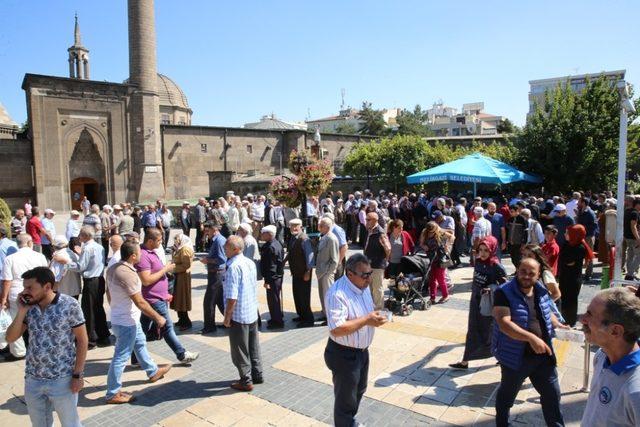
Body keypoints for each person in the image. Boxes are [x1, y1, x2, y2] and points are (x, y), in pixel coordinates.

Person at [5, 267, 87, 426]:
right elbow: (10, 337)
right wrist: (22, 311)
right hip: (33, 380)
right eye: (24, 287)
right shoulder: (29, 307)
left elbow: (82, 341)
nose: (25, 292)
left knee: (70, 424)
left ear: (47, 287)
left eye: (30, 288)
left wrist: (78, 375)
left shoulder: (69, 304)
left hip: (62, 380)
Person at [492, 258, 568, 427]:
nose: (526, 276)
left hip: (543, 356)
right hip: (516, 356)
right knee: (507, 396)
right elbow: (504, 323)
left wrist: (558, 324)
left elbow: (546, 310)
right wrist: (531, 338)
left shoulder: (541, 291)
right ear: (517, 271)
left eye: (531, 273)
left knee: (552, 396)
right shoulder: (503, 292)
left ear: (538, 275)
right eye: (523, 271)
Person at [324, 253, 388, 427]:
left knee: (359, 390)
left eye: (370, 274)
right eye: (365, 275)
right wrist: (367, 320)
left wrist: (375, 316)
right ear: (350, 274)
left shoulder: (363, 286)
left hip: (361, 352)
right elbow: (337, 329)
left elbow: (366, 312)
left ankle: (349, 421)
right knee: (346, 399)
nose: (369, 279)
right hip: (343, 354)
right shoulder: (337, 294)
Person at [105, 241, 172, 404]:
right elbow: (140, 302)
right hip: (126, 321)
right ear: (133, 256)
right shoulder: (128, 274)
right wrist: (158, 317)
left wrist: (115, 307)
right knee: (121, 357)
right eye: (139, 252)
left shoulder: (114, 268)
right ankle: (112, 393)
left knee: (140, 343)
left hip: (124, 318)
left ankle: (152, 371)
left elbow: (108, 292)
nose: (141, 254)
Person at [135, 229, 198, 364]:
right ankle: (182, 354)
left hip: (157, 297)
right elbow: (146, 280)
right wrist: (165, 269)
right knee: (167, 327)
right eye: (159, 240)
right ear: (150, 241)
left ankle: (135, 358)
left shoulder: (152, 252)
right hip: (153, 299)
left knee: (143, 328)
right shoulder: (144, 255)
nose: (161, 242)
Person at [581, 289, 640, 427]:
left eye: (589, 314)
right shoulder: (601, 356)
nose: (582, 319)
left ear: (615, 331)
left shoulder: (636, 391)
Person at [450, 236, 507, 370]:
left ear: (492, 250)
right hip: (476, 302)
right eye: (480, 250)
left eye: (486, 250)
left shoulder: (496, 265)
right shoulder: (478, 261)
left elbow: (505, 286)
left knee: (490, 331)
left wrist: (492, 288)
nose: (482, 253)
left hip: (489, 304)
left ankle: (501, 356)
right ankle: (465, 361)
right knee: (473, 331)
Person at [222, 235, 264, 391]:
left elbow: (232, 297)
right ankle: (257, 374)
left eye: (227, 247)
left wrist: (227, 318)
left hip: (239, 315)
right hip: (251, 311)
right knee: (253, 346)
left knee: (240, 349)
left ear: (236, 249)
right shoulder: (249, 262)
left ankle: (246, 380)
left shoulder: (233, 266)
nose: (224, 249)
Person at [1, 234, 48, 360]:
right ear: (30, 242)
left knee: (15, 321)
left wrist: (3, 299)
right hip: (38, 293)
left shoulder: (10, 259)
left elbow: (7, 280)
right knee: (39, 320)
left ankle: (18, 352)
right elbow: (47, 274)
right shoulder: (40, 256)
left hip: (17, 293)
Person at [558, 224, 594, 326]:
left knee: (571, 302)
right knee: (563, 299)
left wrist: (565, 261)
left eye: (567, 233)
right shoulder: (567, 244)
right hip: (564, 276)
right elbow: (563, 260)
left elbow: (568, 261)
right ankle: (563, 319)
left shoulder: (580, 247)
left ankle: (570, 322)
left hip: (573, 279)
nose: (565, 234)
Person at [521, 244, 564, 323]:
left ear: (537, 258)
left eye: (530, 255)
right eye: (524, 255)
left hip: (547, 314)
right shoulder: (523, 272)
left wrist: (542, 305)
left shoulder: (545, 273)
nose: (526, 257)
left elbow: (556, 294)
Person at [284, 218, 314, 328]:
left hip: (304, 273)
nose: (294, 228)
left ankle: (308, 319)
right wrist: (284, 261)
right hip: (296, 272)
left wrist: (308, 272)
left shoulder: (304, 239)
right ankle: (301, 315)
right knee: (297, 295)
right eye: (292, 225)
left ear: (301, 226)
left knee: (304, 297)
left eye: (296, 225)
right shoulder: (293, 238)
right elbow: (291, 252)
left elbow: (310, 257)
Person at [200, 222, 227, 334]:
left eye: (208, 230)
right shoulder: (217, 240)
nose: (206, 233)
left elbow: (222, 260)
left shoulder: (219, 241)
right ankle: (230, 321)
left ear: (214, 229)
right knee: (219, 300)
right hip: (216, 274)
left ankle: (209, 326)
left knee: (209, 301)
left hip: (217, 274)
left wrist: (208, 260)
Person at [363, 212, 391, 310]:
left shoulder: (380, 233)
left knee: (377, 288)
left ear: (375, 220)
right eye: (366, 219)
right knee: (369, 287)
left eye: (368, 219)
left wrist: (385, 261)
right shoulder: (370, 230)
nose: (366, 221)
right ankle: (371, 307)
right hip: (369, 264)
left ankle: (379, 309)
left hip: (377, 265)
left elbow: (388, 248)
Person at [259, 225, 285, 329]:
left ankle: (277, 322)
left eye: (263, 233)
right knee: (273, 299)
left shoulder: (271, 247)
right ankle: (275, 318)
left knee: (273, 300)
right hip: (276, 277)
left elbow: (271, 267)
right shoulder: (275, 243)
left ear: (269, 234)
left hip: (273, 278)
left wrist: (268, 281)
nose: (261, 235)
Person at [420, 222, 452, 304]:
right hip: (430, 258)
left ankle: (445, 295)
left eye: (433, 231)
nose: (431, 232)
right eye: (430, 231)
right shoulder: (424, 232)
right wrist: (424, 246)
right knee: (432, 279)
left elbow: (451, 236)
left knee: (440, 278)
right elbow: (421, 243)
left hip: (440, 259)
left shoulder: (439, 231)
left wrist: (447, 246)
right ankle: (432, 298)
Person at [316, 217, 340, 324]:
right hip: (321, 272)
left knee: (328, 296)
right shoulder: (324, 237)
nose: (319, 227)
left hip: (326, 273)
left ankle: (331, 318)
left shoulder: (332, 239)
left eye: (321, 225)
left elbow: (335, 259)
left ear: (327, 227)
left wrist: (328, 272)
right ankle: (325, 314)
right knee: (322, 295)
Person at [171, 233, 194, 331]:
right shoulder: (180, 248)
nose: (175, 241)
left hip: (182, 278)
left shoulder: (185, 249)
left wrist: (172, 269)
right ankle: (181, 319)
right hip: (179, 277)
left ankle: (186, 321)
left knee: (182, 299)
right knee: (178, 299)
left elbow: (186, 265)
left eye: (176, 239)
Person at [50, 235, 82, 300]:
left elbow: (55, 277)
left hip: (63, 293)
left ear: (54, 246)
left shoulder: (58, 257)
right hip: (75, 290)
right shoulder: (74, 254)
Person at [576, 197, 598, 280]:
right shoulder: (581, 211)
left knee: (589, 255)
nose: (577, 203)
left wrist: (582, 227)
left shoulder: (590, 212)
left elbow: (594, 225)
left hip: (588, 236)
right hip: (582, 236)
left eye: (579, 202)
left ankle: (588, 274)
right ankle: (580, 273)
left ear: (583, 203)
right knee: (580, 254)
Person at [623, 197, 640, 281]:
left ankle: (629, 274)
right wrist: (638, 239)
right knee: (638, 256)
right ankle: (630, 275)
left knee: (630, 256)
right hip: (633, 238)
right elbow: (633, 226)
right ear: (637, 205)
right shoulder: (635, 213)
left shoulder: (627, 211)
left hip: (627, 237)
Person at [506, 204, 528, 268]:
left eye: (512, 211)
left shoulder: (523, 219)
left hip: (518, 243)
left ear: (517, 211)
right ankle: (517, 270)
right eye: (510, 211)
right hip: (511, 243)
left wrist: (524, 244)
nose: (511, 213)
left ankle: (519, 271)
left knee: (518, 259)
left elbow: (526, 232)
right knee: (513, 259)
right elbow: (507, 231)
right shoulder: (510, 219)